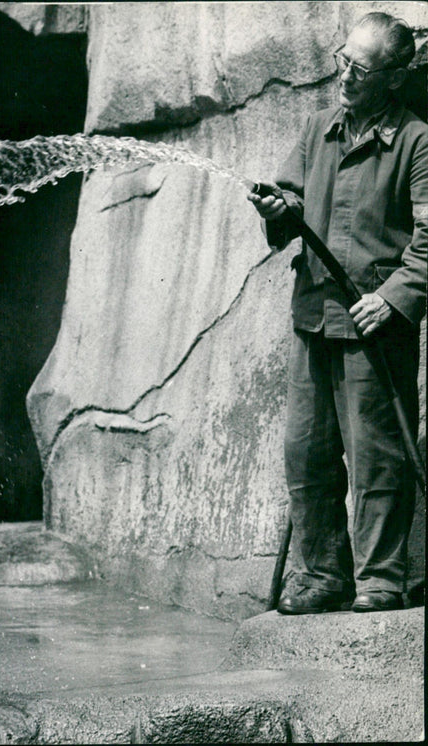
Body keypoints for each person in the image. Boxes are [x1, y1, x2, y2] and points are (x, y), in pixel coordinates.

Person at [248, 12, 427, 614]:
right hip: (313, 314)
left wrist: (397, 296)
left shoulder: (416, 141)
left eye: (361, 68)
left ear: (394, 78)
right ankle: (325, 576)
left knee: (376, 454)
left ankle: (381, 578)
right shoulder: (316, 127)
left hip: (374, 323)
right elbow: (291, 200)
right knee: (305, 453)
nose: (345, 75)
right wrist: (277, 208)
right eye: (342, 59)